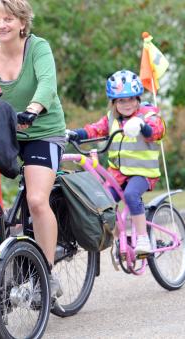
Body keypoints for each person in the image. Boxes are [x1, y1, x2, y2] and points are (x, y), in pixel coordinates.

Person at [0, 0, 66, 297]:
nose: (2, 25)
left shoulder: (38, 48)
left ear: (22, 23)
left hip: (42, 131)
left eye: (8, 18)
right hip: (2, 134)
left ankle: (47, 274)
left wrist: (32, 110)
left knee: (35, 200)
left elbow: (47, 84)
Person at [68, 70, 166, 255]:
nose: (126, 104)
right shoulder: (111, 118)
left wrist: (142, 127)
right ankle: (119, 239)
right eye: (121, 100)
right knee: (103, 202)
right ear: (114, 102)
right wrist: (76, 134)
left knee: (130, 195)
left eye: (130, 99)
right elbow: (96, 129)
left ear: (138, 98)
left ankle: (143, 239)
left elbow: (157, 130)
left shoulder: (147, 114)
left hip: (143, 174)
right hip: (118, 174)